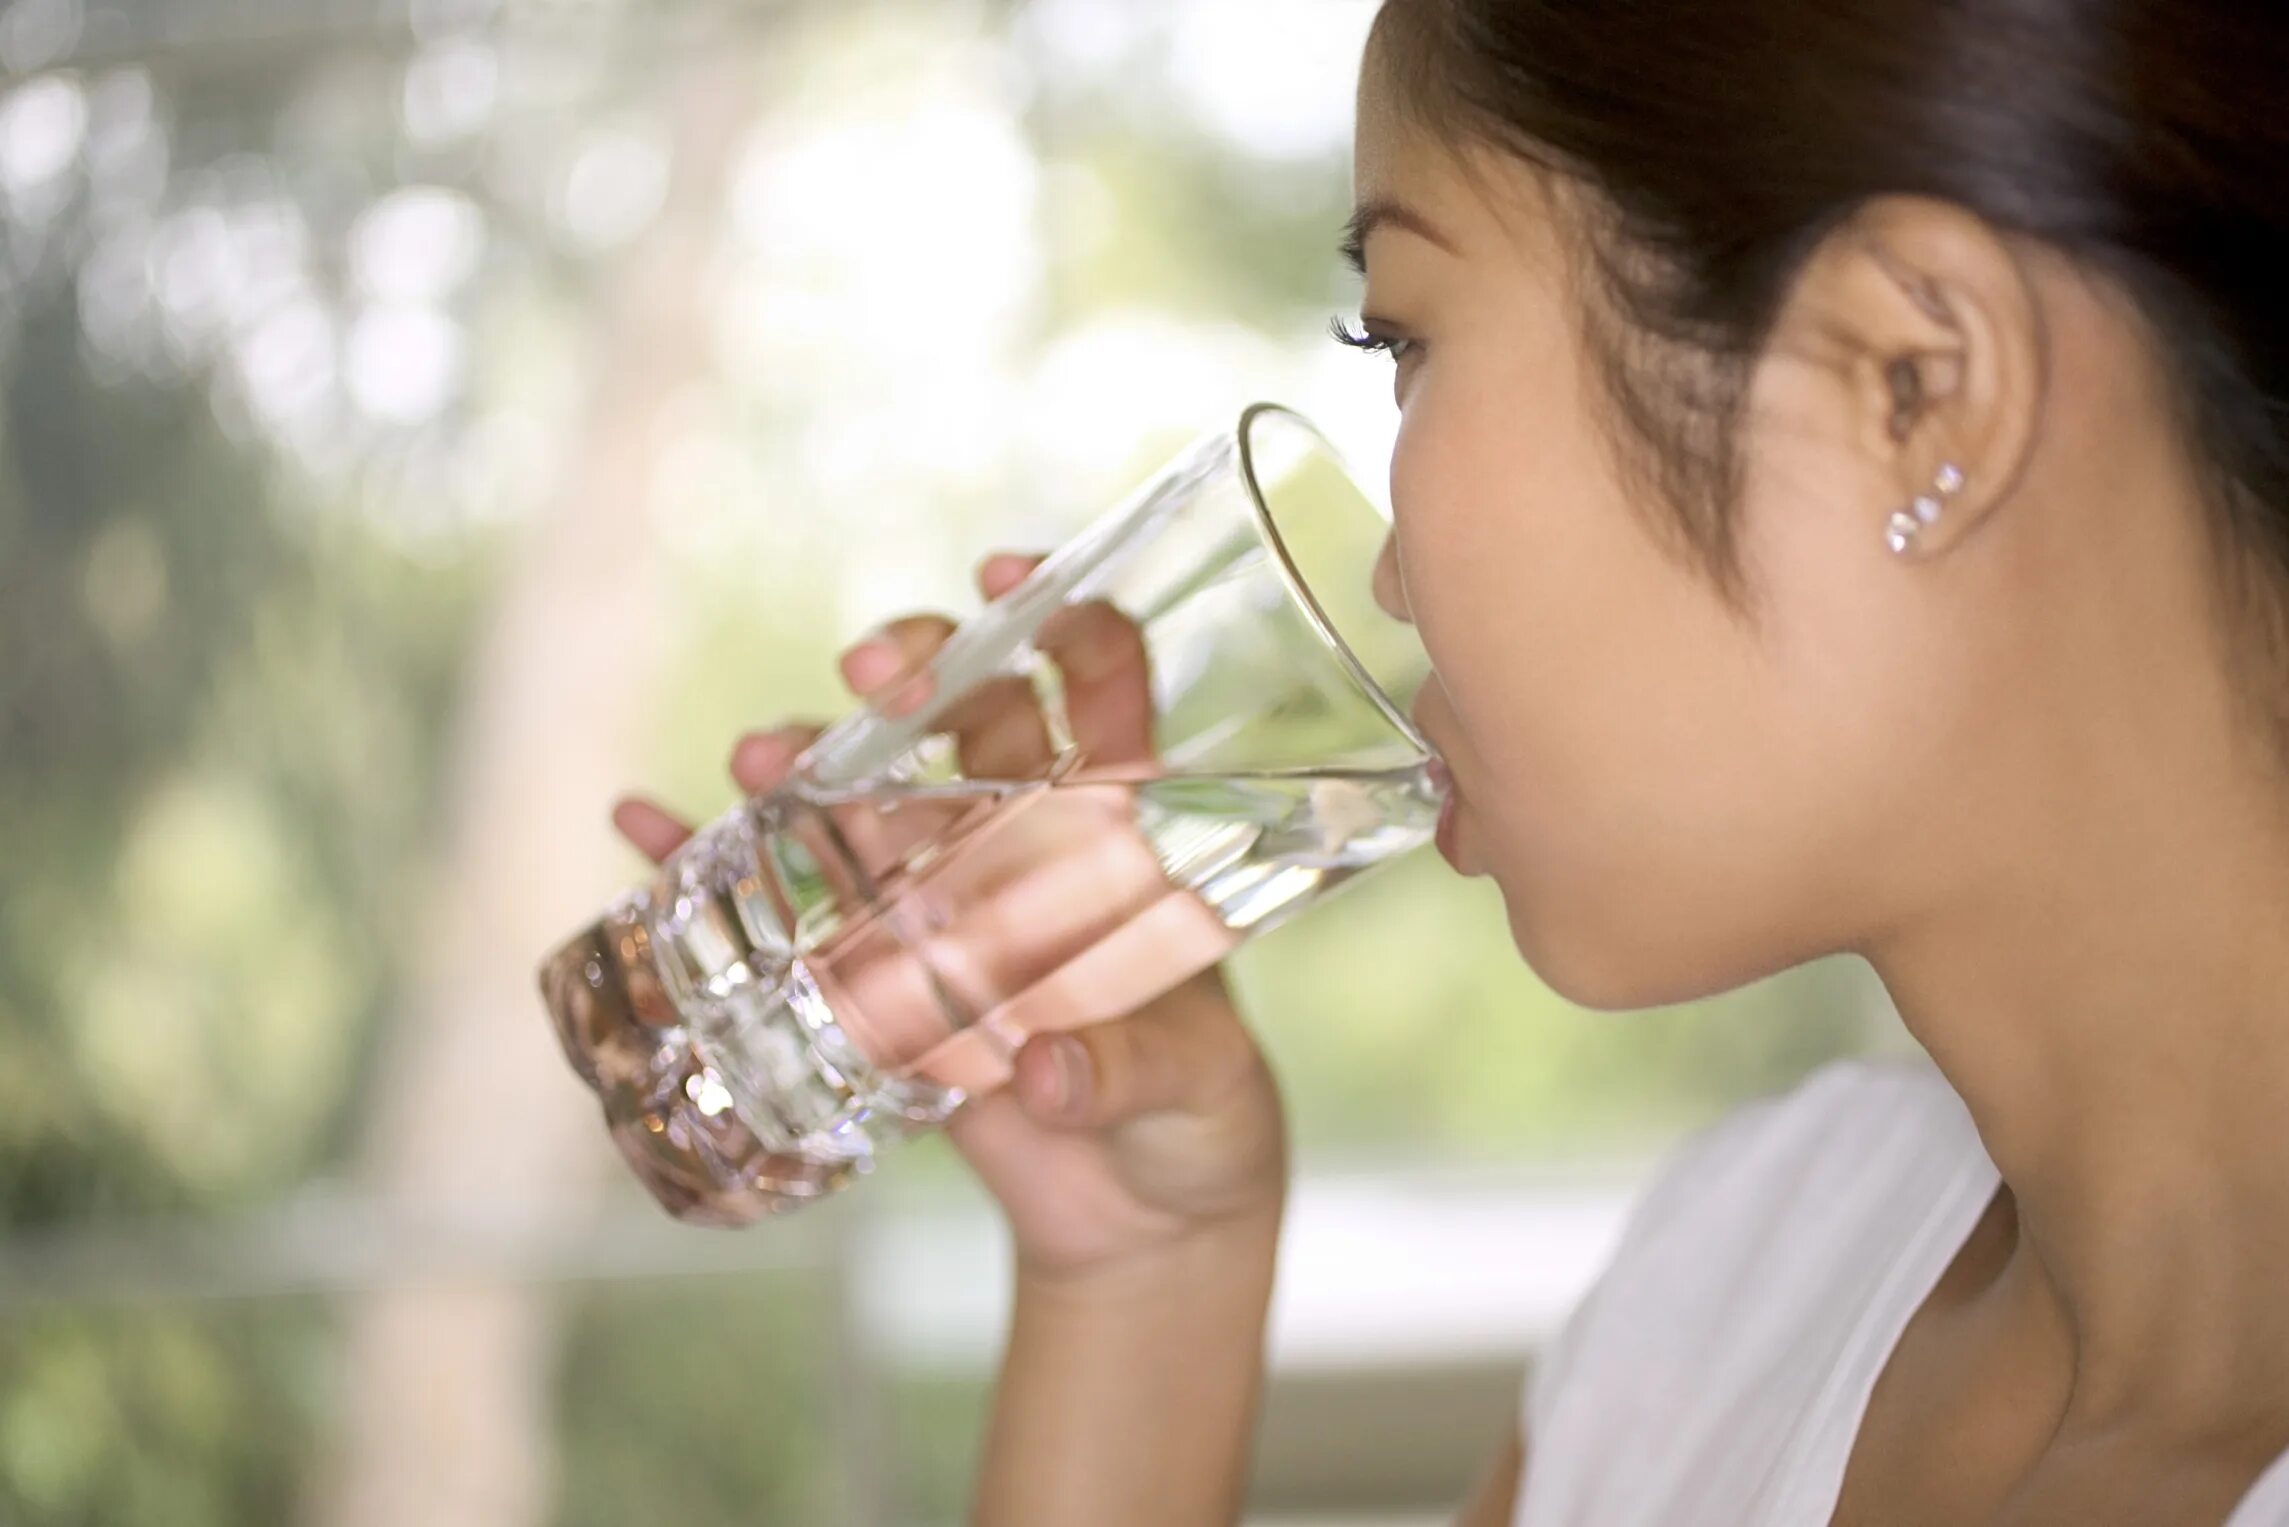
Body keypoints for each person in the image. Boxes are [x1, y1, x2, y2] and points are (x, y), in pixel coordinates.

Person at [612, 0, 2289, 1520]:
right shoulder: (1741, 1289)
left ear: (1917, 386)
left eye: (1402, 339)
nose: (1388, 574)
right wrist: (1138, 1280)